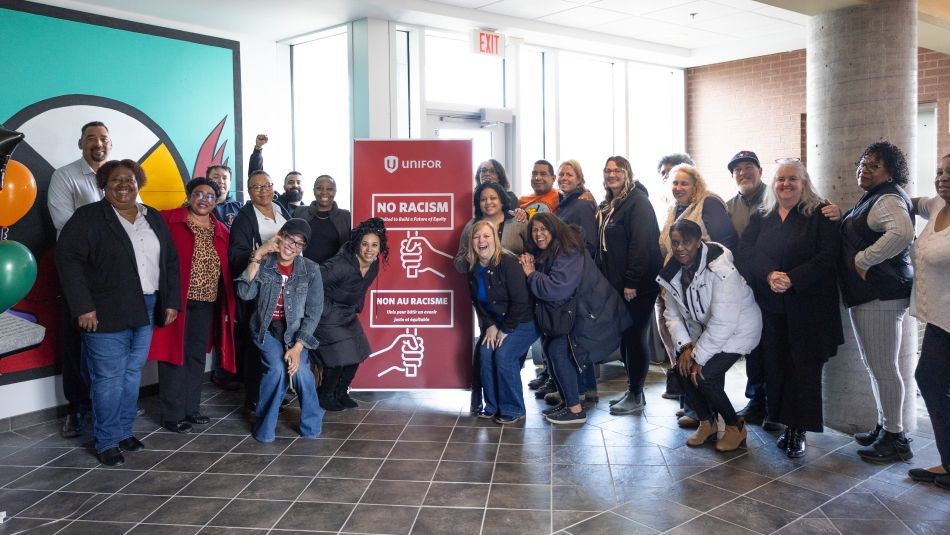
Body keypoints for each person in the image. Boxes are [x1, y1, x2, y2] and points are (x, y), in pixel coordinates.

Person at [56, 159, 181, 466]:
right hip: (104, 311)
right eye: (116, 180)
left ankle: (124, 431)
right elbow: (68, 261)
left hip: (147, 306)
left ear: (138, 183)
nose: (124, 185)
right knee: (108, 378)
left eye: (130, 180)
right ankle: (107, 440)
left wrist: (171, 301)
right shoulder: (88, 217)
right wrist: (83, 307)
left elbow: (170, 262)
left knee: (130, 374)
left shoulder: (151, 216)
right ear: (104, 184)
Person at [737, 160, 842, 459]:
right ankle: (780, 417)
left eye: (792, 179)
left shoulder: (820, 214)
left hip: (808, 306)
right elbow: (746, 251)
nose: (785, 184)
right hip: (770, 304)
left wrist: (792, 279)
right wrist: (770, 274)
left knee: (803, 368)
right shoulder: (762, 215)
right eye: (780, 179)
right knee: (775, 363)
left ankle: (798, 430)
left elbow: (827, 256)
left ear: (804, 182)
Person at [838, 141, 915, 463]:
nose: (864, 170)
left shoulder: (885, 199)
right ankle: (886, 427)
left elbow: (902, 232)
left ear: (890, 171)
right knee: (879, 367)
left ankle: (896, 438)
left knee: (884, 368)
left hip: (880, 295)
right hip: (876, 295)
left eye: (873, 165)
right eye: (862, 163)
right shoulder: (876, 197)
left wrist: (865, 259)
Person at [657, 220, 761, 451]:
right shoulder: (674, 268)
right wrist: (685, 349)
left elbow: (724, 321)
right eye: (675, 243)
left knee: (705, 376)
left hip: (739, 329)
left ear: (698, 241)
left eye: (686, 242)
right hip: (707, 331)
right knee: (682, 370)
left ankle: (735, 427)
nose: (680, 248)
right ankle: (708, 423)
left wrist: (698, 357)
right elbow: (671, 314)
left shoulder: (721, 269)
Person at [521, 213, 629, 424]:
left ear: (554, 229)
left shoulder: (568, 250)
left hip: (590, 313)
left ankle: (575, 410)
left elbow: (556, 289)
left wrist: (532, 274)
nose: (538, 234)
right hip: (575, 313)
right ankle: (568, 402)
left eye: (543, 229)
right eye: (534, 230)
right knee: (551, 348)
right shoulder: (555, 249)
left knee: (558, 351)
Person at [148, 178, 236, 434]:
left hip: (207, 302)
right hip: (176, 301)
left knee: (196, 357)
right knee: (173, 356)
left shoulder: (220, 229)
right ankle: (172, 414)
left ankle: (191, 409)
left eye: (210, 196)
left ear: (216, 201)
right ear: (189, 195)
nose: (204, 200)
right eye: (199, 194)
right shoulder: (170, 220)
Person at [656, 163, 738, 429]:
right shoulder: (674, 210)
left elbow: (725, 242)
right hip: (678, 283)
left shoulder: (709, 204)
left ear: (696, 184)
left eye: (684, 183)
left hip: (704, 284)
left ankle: (709, 410)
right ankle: (694, 406)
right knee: (684, 346)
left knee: (706, 350)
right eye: (675, 184)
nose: (679, 188)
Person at [48, 121, 111, 439]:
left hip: (112, 273)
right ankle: (76, 409)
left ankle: (108, 403)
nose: (98, 143)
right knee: (75, 341)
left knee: (110, 339)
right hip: (78, 272)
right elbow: (65, 223)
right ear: (80, 144)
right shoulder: (65, 176)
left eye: (103, 138)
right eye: (91, 138)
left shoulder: (118, 177)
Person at [235, 219, 324, 442]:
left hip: (296, 333)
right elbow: (244, 294)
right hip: (265, 331)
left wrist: (297, 348)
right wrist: (258, 254)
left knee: (302, 373)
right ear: (280, 236)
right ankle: (264, 430)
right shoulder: (264, 262)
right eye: (289, 239)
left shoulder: (311, 270)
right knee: (276, 370)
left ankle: (311, 427)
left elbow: (314, 312)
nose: (291, 247)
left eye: (299, 244)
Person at [596, 156, 663, 415]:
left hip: (638, 285)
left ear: (628, 173)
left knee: (635, 338)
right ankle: (632, 390)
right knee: (626, 337)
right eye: (608, 170)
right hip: (619, 285)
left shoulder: (638, 203)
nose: (612, 174)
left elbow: (642, 244)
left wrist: (632, 281)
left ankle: (636, 394)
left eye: (617, 170)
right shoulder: (613, 205)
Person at [229, 170, 292, 410]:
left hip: (287, 284)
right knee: (258, 344)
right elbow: (235, 255)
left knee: (282, 340)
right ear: (249, 191)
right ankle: (254, 397)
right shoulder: (245, 217)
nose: (263, 190)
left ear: (274, 187)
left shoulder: (280, 209)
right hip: (260, 288)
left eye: (267, 185)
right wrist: (263, 249)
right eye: (256, 187)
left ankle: (278, 390)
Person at [465, 220, 537, 424]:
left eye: (486, 236)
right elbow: (477, 302)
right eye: (477, 236)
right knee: (486, 353)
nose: (481, 240)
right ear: (472, 242)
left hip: (523, 321)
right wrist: (489, 325)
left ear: (494, 239)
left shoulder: (508, 262)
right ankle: (492, 406)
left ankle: (514, 408)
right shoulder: (472, 269)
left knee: (503, 355)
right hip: (496, 324)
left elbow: (521, 301)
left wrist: (504, 331)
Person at [906, 154, 950, 487]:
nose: (943, 177)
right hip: (940, 319)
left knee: (931, 380)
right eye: (940, 171)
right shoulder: (936, 205)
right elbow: (903, 199)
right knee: (931, 381)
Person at [723, 150, 774, 430]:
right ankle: (756, 401)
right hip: (744, 286)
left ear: (760, 170)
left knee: (774, 345)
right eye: (737, 170)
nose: (743, 173)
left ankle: (776, 405)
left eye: (748, 168)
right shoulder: (729, 206)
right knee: (752, 343)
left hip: (774, 283)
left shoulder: (775, 198)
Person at [315, 218, 388, 411]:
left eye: (374, 245)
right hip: (326, 314)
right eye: (364, 244)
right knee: (340, 355)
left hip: (346, 313)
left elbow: (360, 288)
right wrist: (325, 310)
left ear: (381, 247)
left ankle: (340, 392)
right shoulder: (340, 264)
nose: (369, 250)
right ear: (357, 244)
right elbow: (312, 282)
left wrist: (356, 306)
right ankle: (326, 395)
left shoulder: (373, 264)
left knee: (359, 350)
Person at [454, 181, 529, 273]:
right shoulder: (471, 225)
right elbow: (459, 263)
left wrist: (524, 259)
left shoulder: (519, 221)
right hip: (482, 283)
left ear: (502, 201)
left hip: (517, 281)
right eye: (483, 199)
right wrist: (475, 257)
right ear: (478, 204)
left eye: (493, 198)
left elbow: (536, 253)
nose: (488, 202)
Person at [293, 174, 352, 264]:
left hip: (335, 273)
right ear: (314, 190)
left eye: (329, 189)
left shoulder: (346, 216)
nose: (324, 192)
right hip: (303, 272)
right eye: (319, 188)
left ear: (335, 191)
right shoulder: (299, 212)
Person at [248, 133, 305, 210]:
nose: (295, 185)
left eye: (298, 182)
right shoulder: (273, 204)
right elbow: (256, 177)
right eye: (290, 182)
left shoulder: (309, 212)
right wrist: (258, 149)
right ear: (284, 187)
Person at [208, 165, 242, 229]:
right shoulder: (198, 206)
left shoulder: (240, 208)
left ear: (230, 183)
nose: (221, 181)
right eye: (216, 177)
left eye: (224, 178)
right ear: (207, 181)